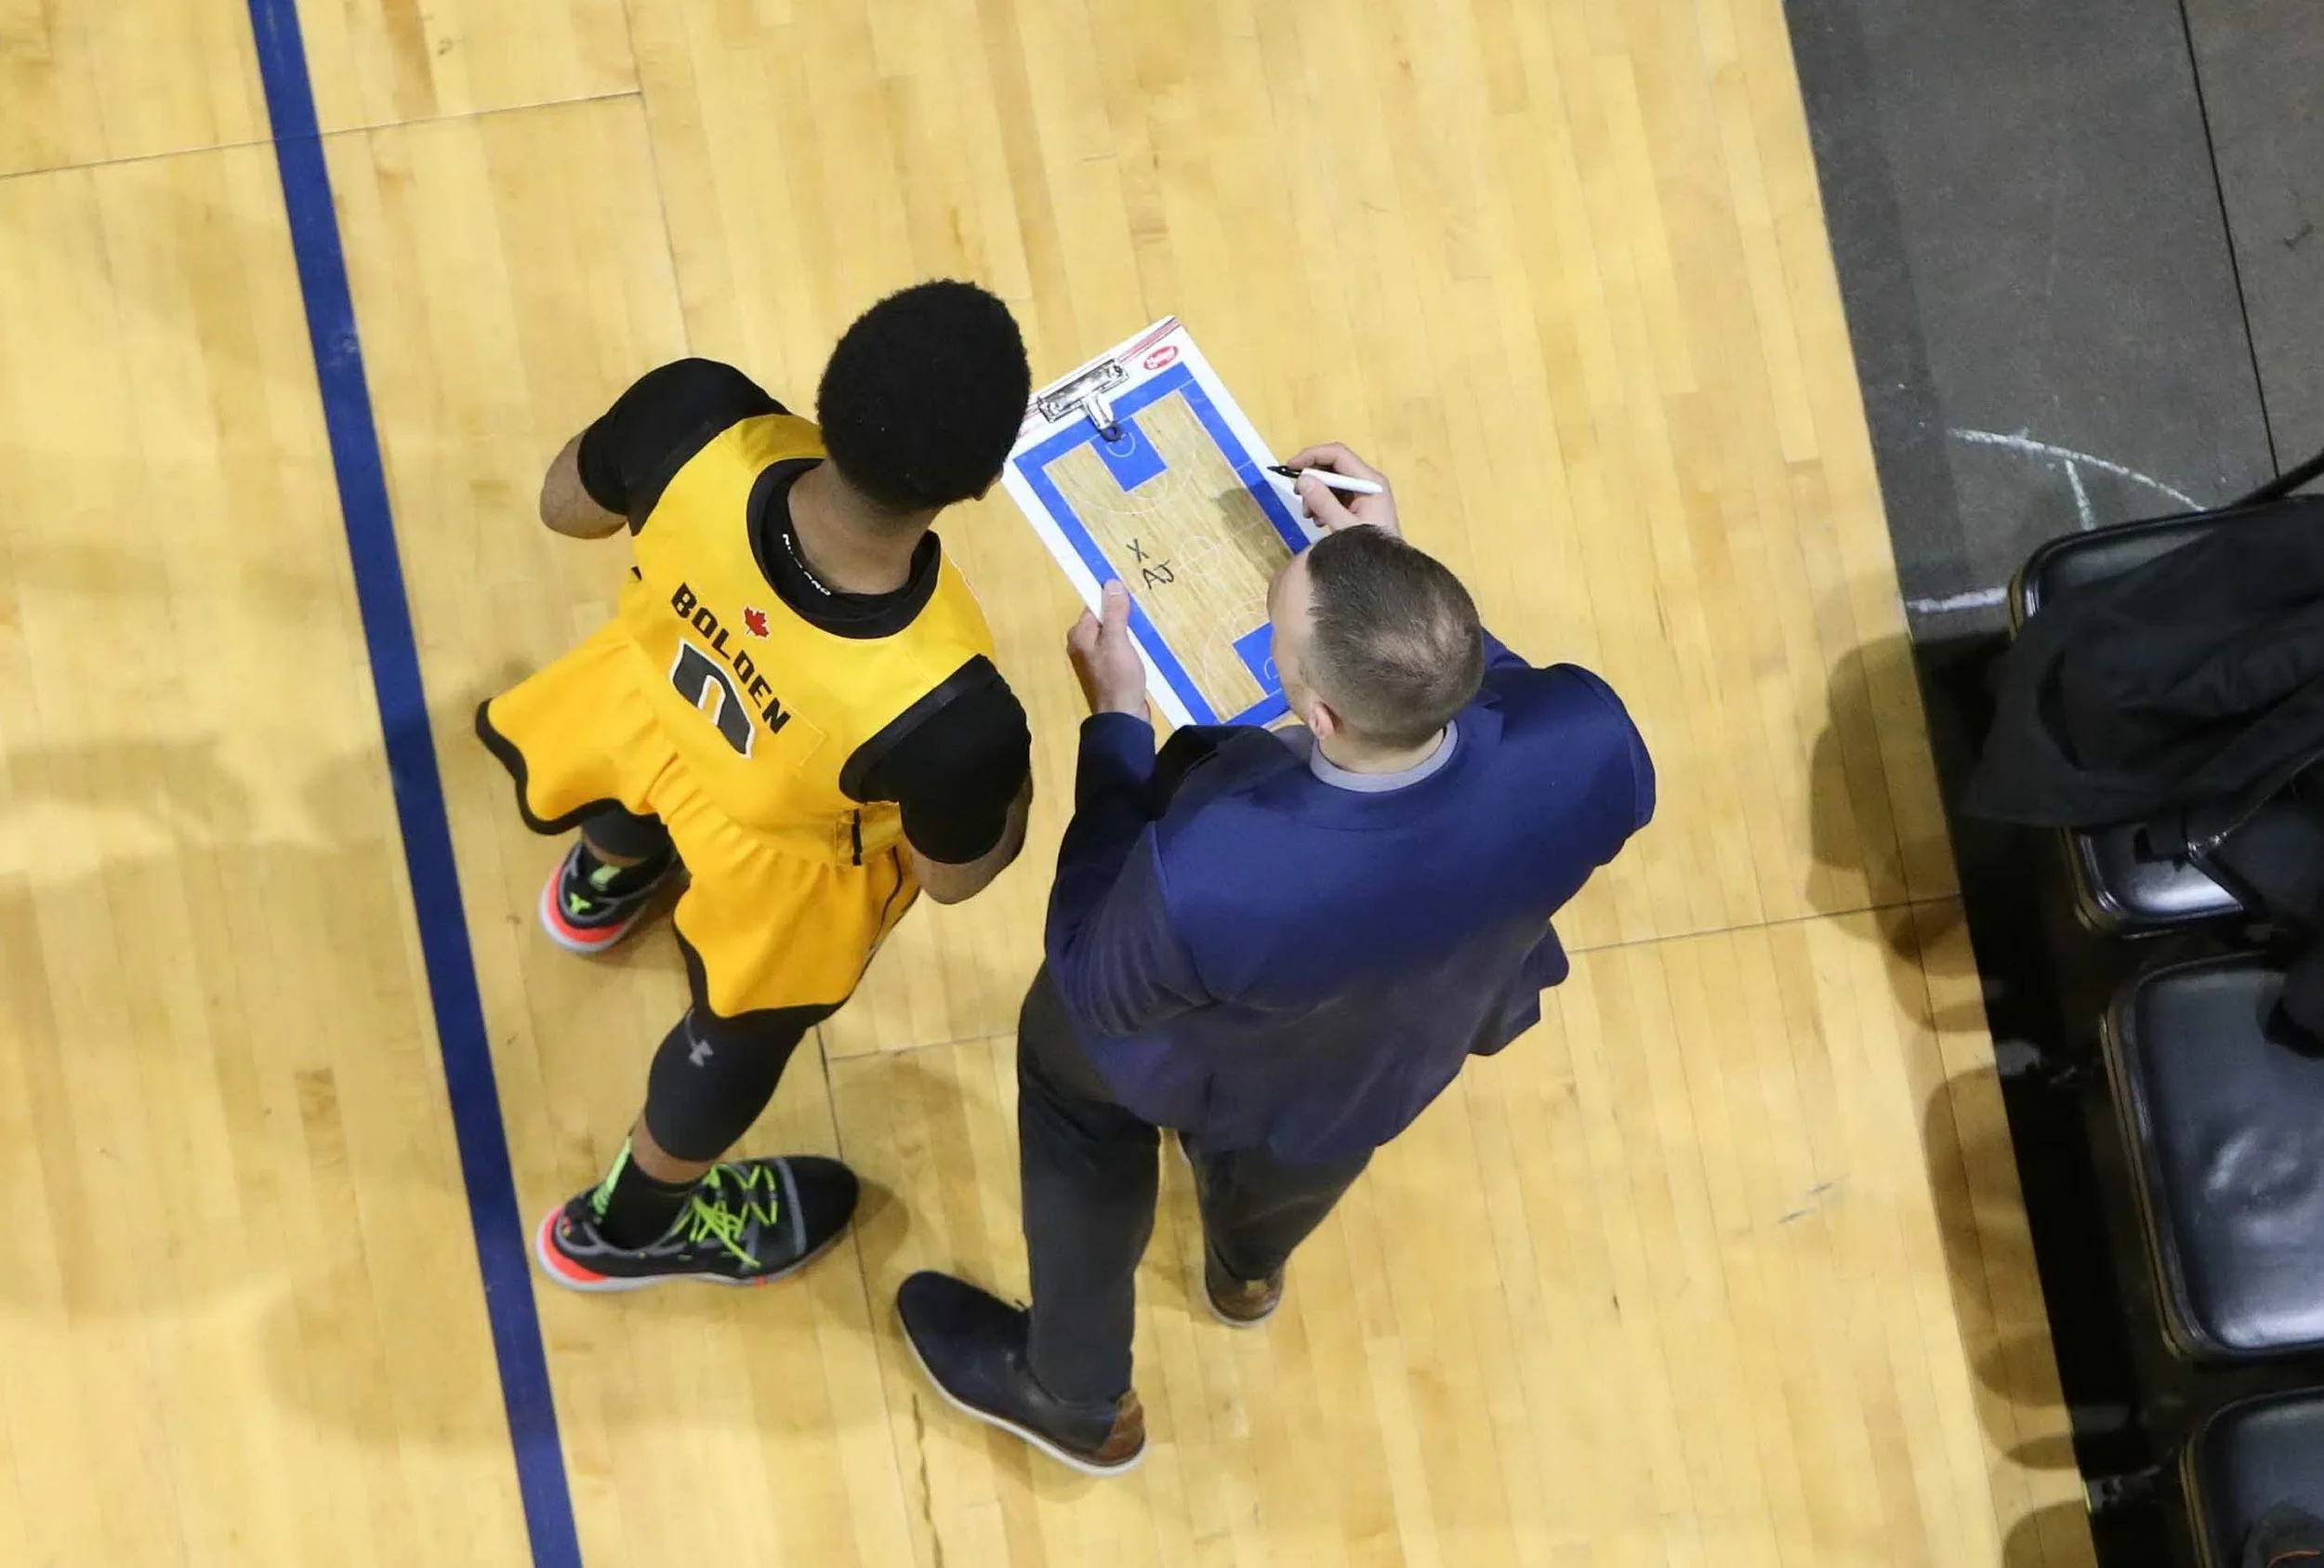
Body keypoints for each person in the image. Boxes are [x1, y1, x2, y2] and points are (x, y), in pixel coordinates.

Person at [895, 444, 1655, 1474]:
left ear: (1321, 715)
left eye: (1278, 637)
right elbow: (1511, 700)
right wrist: (1397, 588)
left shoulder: (1218, 870)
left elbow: (1090, 970)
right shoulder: (1595, 740)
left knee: (1070, 1078)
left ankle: (1075, 1394)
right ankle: (1244, 1272)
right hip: (1388, 1057)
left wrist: (1115, 728)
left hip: (1218, 1051)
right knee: (1307, 1149)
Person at [479, 281, 1037, 1291]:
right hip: (782, 855)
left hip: (653, 715)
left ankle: (602, 886)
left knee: (658, 739)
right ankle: (628, 1229)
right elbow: (955, 878)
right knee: (737, 1036)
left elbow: (564, 507)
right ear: (986, 479)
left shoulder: (695, 414)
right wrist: (1014, 785)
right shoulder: (954, 711)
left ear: (830, 382)